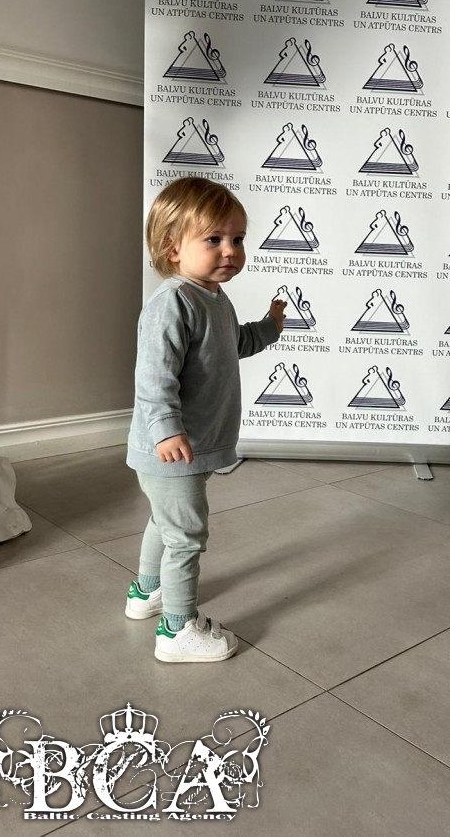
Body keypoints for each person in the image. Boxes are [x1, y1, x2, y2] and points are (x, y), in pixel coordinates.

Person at [125, 177, 286, 663]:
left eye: (238, 238)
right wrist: (166, 429)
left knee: (166, 522)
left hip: (191, 445)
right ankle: (177, 631)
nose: (230, 250)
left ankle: (147, 592)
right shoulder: (173, 302)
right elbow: (154, 376)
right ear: (172, 247)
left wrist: (269, 327)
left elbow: (233, 344)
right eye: (213, 239)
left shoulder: (213, 297)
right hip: (172, 445)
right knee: (186, 537)